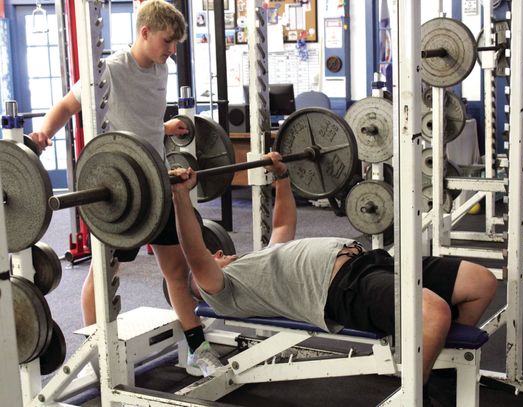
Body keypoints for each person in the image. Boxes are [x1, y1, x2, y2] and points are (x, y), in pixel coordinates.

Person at [169, 153, 497, 403]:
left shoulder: (259, 261)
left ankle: (438, 366)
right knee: (433, 313)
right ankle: (414, 397)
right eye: (212, 262)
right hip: (341, 289)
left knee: (481, 282)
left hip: (370, 261)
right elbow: (196, 253)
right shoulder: (223, 290)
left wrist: (282, 178)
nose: (217, 254)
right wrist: (181, 196)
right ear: (203, 286)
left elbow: (282, 226)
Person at [30, 0, 221, 377]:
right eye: (167, 41)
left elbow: (141, 115)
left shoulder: (161, 70)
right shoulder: (110, 70)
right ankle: (94, 353)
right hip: (120, 191)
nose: (171, 51)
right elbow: (69, 105)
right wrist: (43, 136)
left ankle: (198, 350)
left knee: (176, 270)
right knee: (105, 273)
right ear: (145, 32)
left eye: (175, 45)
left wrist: (165, 129)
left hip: (157, 180)